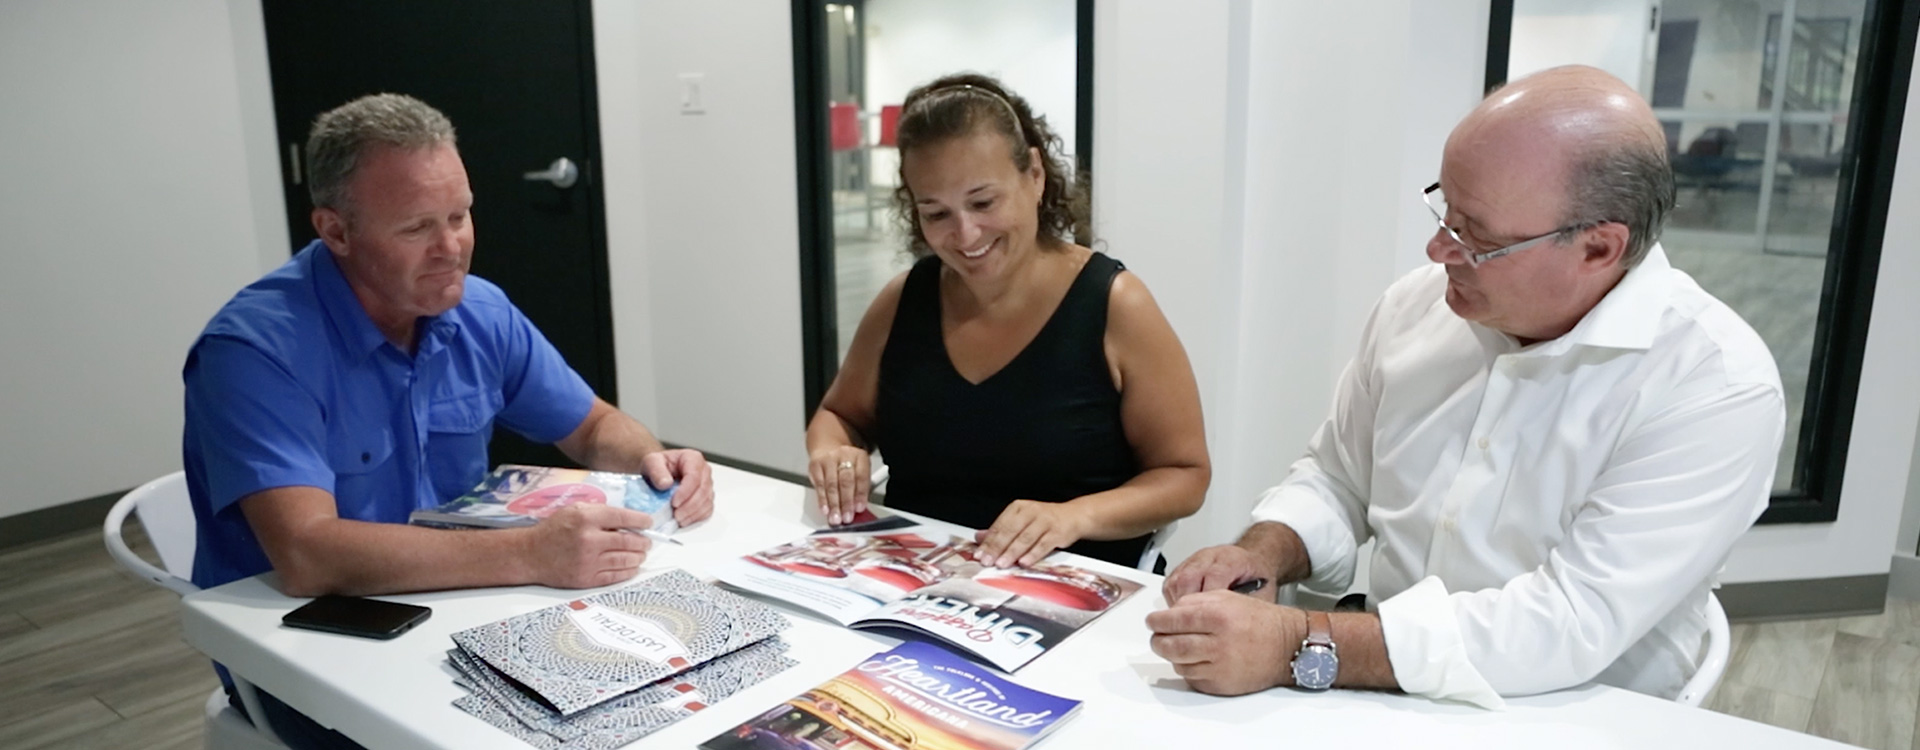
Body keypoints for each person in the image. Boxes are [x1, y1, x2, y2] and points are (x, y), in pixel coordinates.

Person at [1149, 66, 1784, 708]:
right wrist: (1265, 551)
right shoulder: (1417, 309)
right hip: (1373, 680)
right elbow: (1338, 478)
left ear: (1599, 248)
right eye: (1444, 209)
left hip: (1573, 711)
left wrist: (1299, 641)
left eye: (1475, 237)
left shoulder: (1714, 385)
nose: (1437, 249)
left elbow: (1566, 624)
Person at [183, 94, 713, 748]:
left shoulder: (479, 310)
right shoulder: (256, 352)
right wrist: (529, 553)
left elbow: (593, 426)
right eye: (416, 228)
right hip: (307, 650)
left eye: (460, 216)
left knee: (662, 707)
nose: (451, 247)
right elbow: (306, 555)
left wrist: (650, 460)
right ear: (335, 230)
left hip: (464, 608)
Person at [805, 73, 1209, 570]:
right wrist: (832, 452)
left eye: (983, 202)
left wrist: (1074, 517)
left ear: (1034, 175)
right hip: (919, 583)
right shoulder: (903, 300)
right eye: (935, 213)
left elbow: (1185, 475)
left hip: (1073, 588)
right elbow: (840, 416)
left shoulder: (1115, 305)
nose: (965, 233)